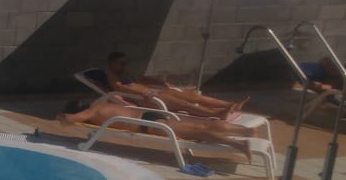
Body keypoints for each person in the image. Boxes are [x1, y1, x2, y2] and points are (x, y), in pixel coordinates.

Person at [57, 98, 255, 152]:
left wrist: (60, 116)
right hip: (150, 116)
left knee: (199, 133)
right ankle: (245, 130)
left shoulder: (93, 111)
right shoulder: (103, 103)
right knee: (203, 125)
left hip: (148, 125)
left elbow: (70, 120)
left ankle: (239, 144)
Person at [102, 51, 247, 119]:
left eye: (126, 63)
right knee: (183, 104)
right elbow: (121, 88)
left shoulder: (126, 73)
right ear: (111, 64)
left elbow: (145, 79)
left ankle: (230, 104)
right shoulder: (113, 76)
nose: (125, 65)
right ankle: (215, 114)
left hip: (154, 92)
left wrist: (166, 85)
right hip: (145, 98)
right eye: (121, 63)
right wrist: (147, 93)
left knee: (193, 96)